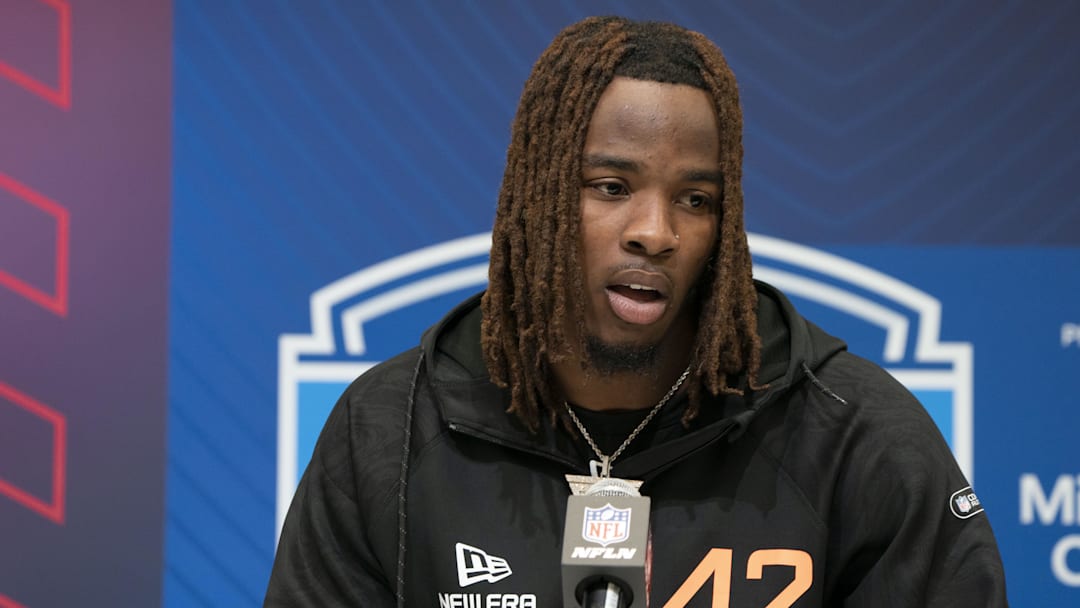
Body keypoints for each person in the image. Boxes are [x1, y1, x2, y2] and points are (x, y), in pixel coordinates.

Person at [265, 16, 1008, 607]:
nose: (656, 232)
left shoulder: (858, 438)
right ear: (539, 193)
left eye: (696, 199)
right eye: (612, 186)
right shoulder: (388, 434)